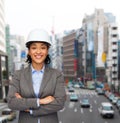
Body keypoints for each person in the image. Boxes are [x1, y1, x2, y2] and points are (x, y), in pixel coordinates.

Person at [7, 28, 66, 123]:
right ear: (29, 51)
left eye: (43, 48)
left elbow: (59, 103)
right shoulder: (18, 75)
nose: (38, 52)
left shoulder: (56, 75)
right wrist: (40, 101)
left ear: (47, 51)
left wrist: (30, 109)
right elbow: (11, 102)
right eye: (34, 48)